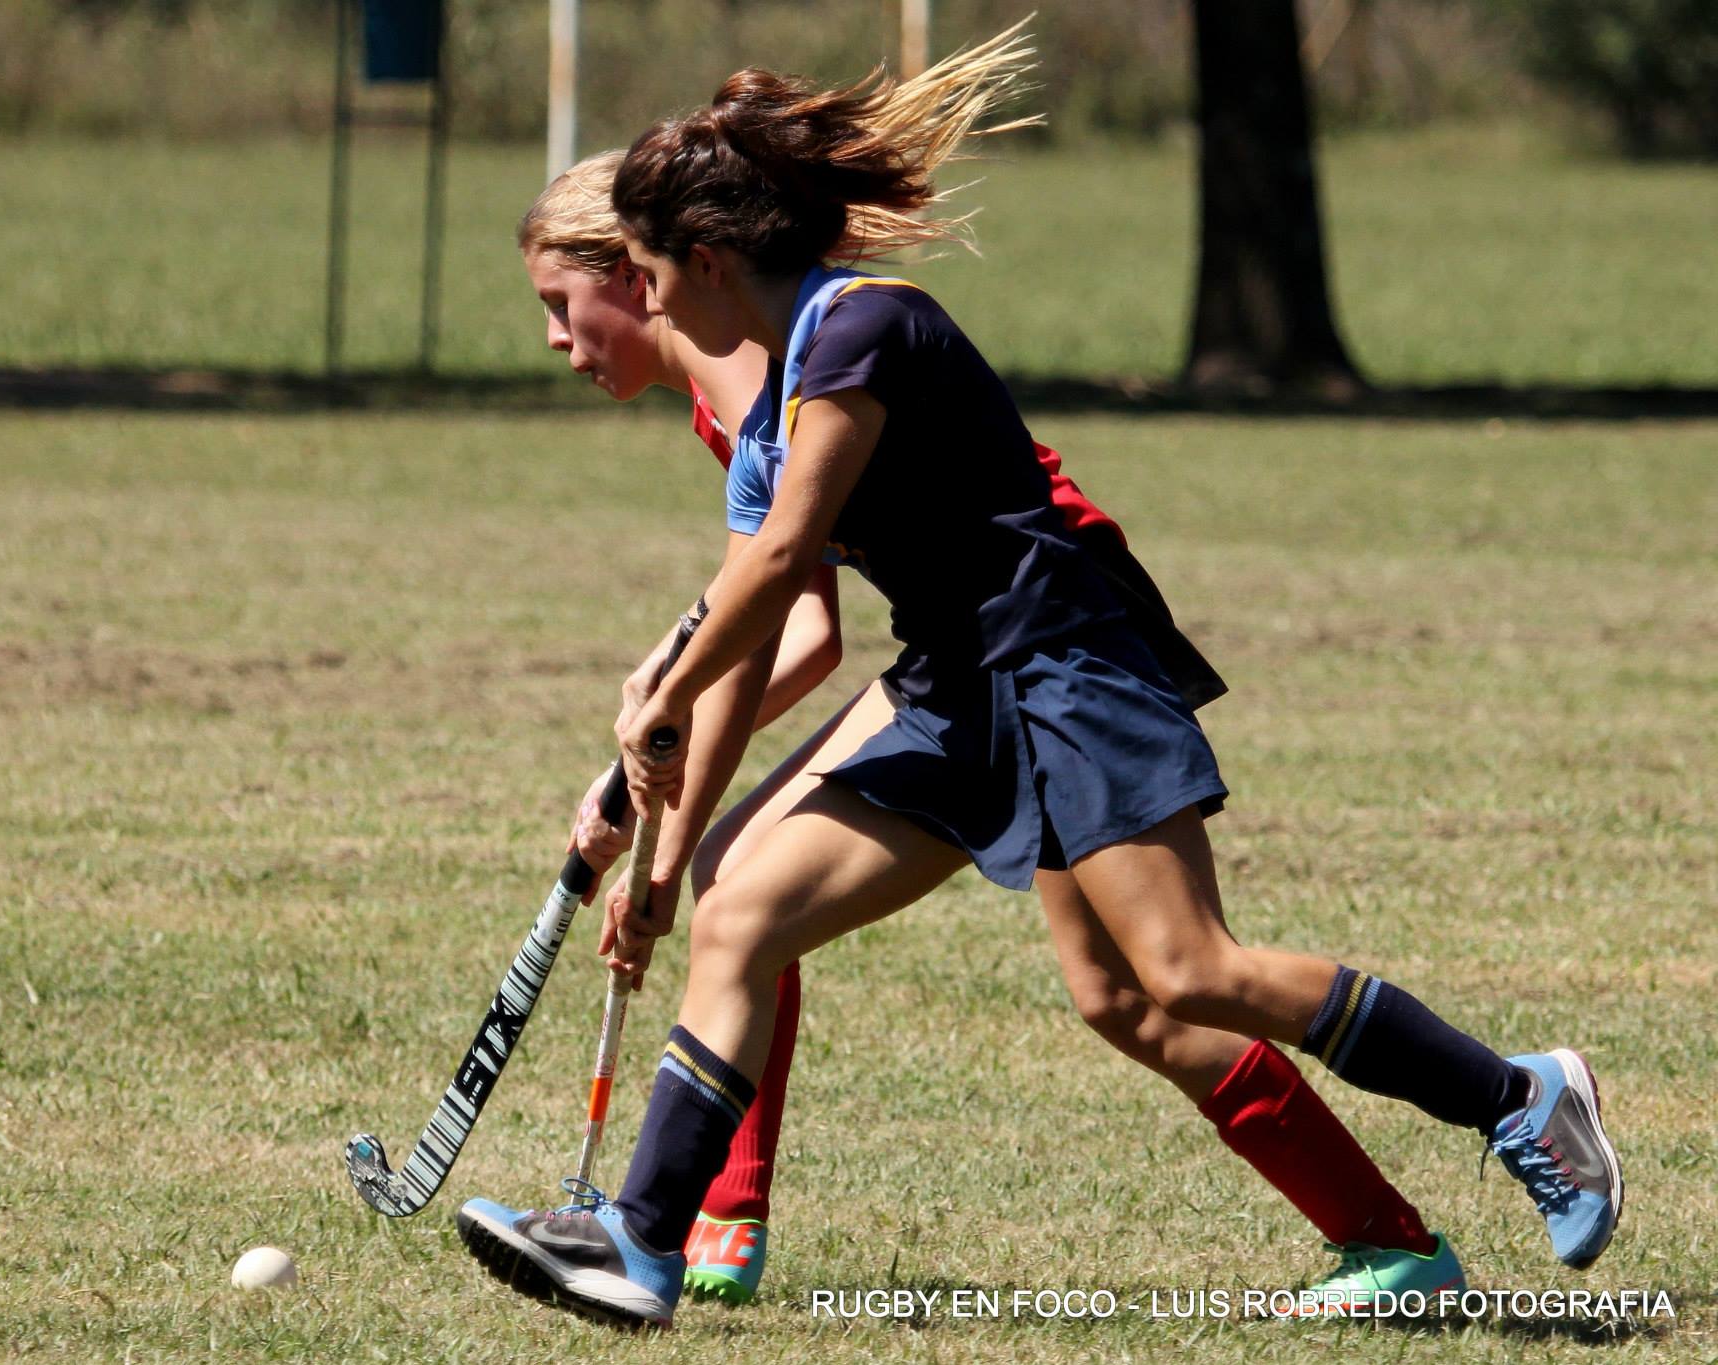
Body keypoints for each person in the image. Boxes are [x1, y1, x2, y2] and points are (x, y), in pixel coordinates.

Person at [470, 31, 1618, 1323]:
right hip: (955, 684)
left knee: (1184, 974)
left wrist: (663, 695)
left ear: (716, 263)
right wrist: (668, 834)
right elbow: (759, 586)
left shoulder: (866, 328)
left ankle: (1518, 1095)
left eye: (655, 278)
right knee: (745, 913)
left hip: (1065, 660)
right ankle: (645, 1241)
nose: (653, 302)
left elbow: (790, 552)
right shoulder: (770, 388)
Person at [518, 150, 1169, 1305]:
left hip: (1048, 644)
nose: (559, 344)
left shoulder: (777, 366)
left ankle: (1459, 1156)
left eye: (560, 309)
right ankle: (696, 1226)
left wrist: (660, 726)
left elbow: (785, 618)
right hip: (970, 656)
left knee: (1154, 983)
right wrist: (657, 809)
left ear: (636, 274)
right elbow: (766, 612)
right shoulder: (735, 399)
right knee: (742, 902)